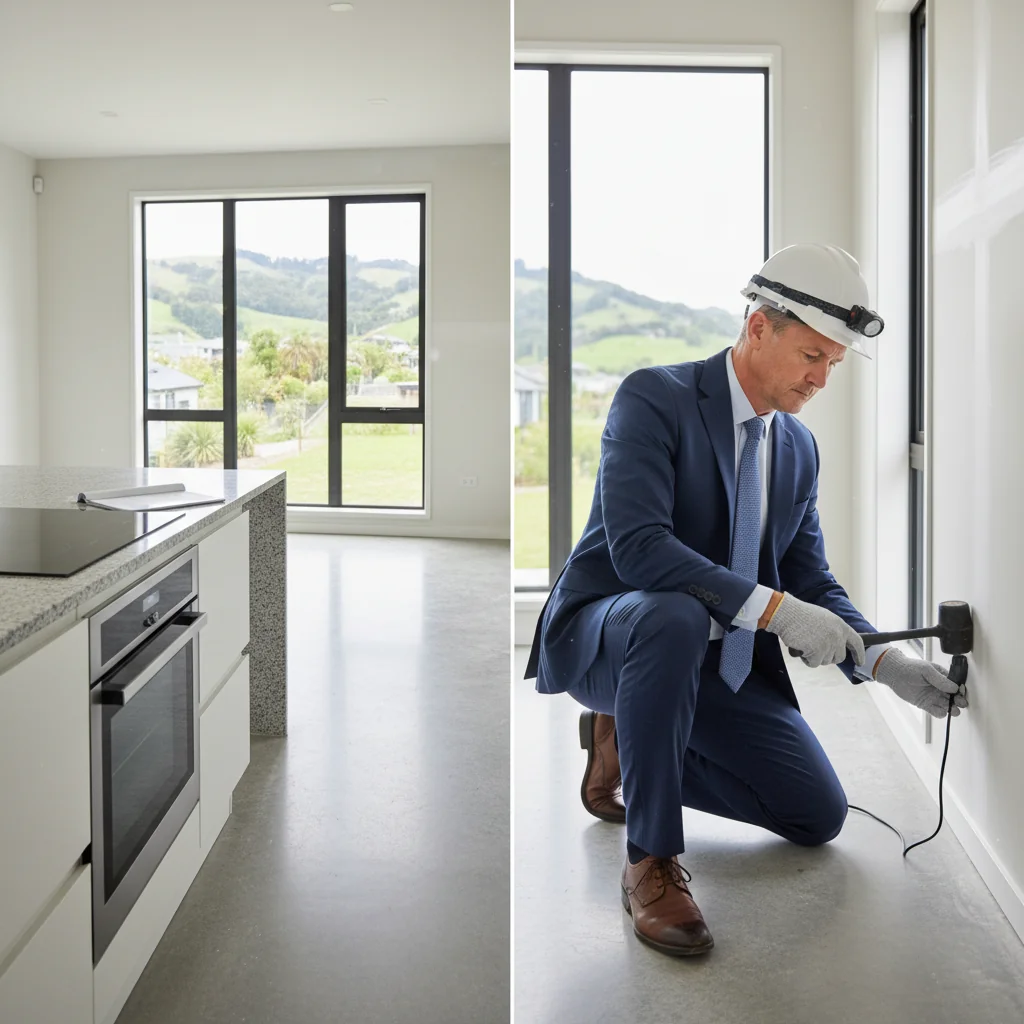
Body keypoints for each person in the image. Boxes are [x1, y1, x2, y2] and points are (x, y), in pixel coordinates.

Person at [524, 243, 968, 958]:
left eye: (834, 365)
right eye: (812, 356)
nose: (822, 378)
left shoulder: (797, 448)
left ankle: (620, 743)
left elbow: (813, 579)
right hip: (615, 633)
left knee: (816, 814)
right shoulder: (653, 398)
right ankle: (650, 860)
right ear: (759, 327)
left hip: (711, 667)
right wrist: (775, 612)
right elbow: (641, 549)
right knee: (669, 612)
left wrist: (886, 664)